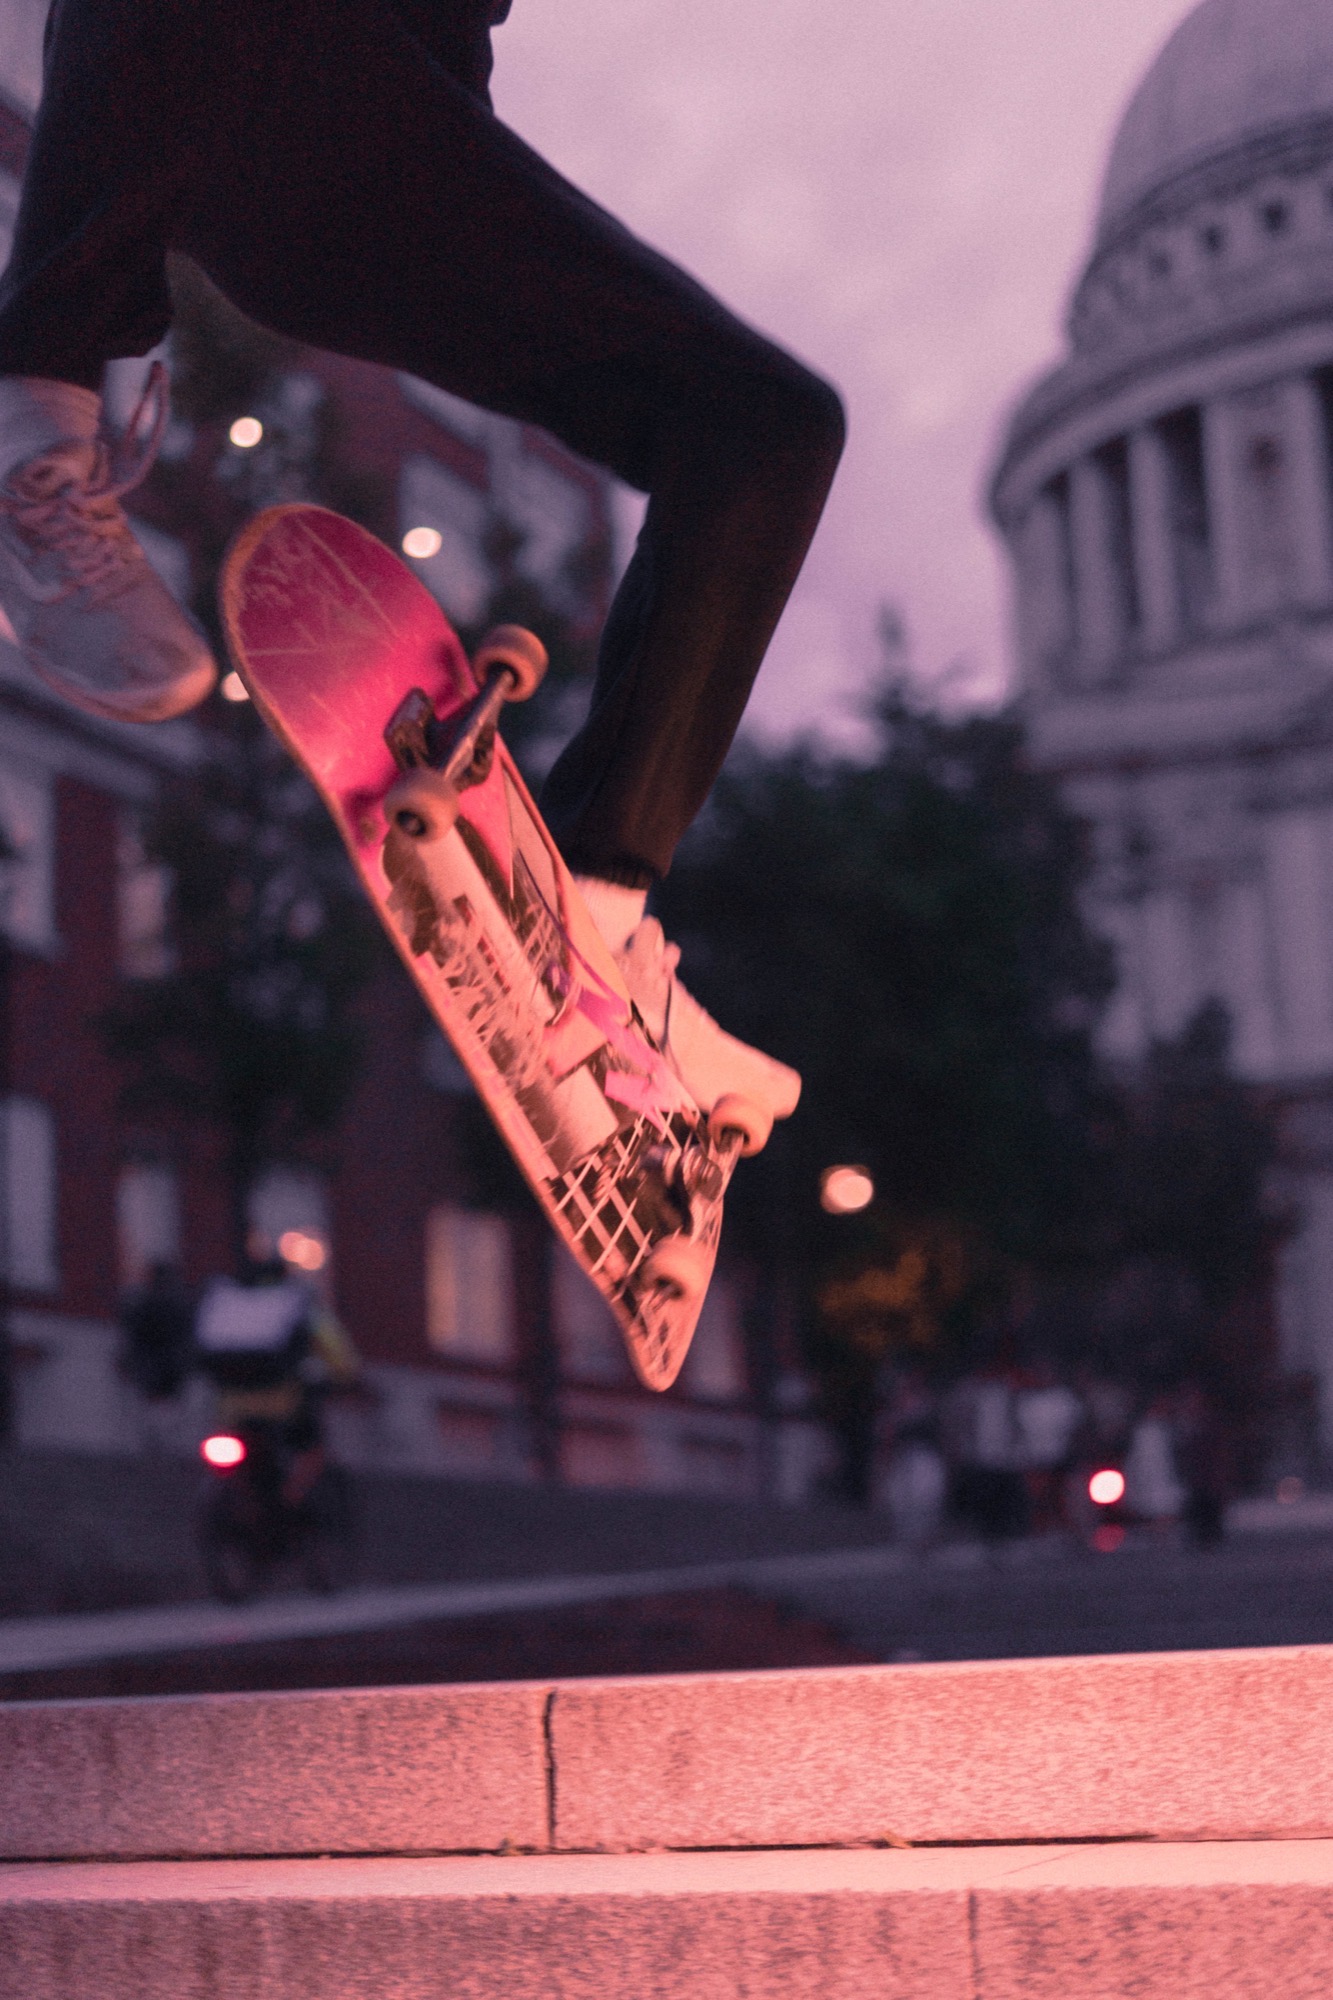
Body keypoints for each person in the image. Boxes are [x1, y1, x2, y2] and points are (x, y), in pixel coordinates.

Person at [0, 0, 845, 1128]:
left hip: (398, 118)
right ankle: (32, 419)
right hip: (198, 46)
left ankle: (593, 923)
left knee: (766, 427)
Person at [194, 1244, 360, 1504]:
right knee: (311, 1450)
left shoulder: (231, 1305)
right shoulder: (299, 1306)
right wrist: (344, 1377)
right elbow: (337, 1355)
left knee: (227, 1464)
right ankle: (292, 1497)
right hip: (286, 1406)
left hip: (233, 1409)